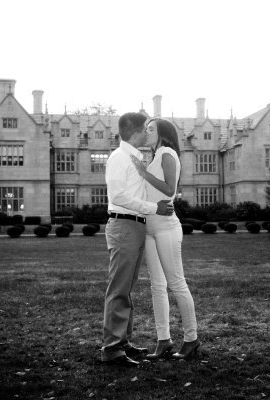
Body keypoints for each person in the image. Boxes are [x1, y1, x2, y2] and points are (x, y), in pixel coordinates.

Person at [101, 112, 174, 367]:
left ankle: (122, 342)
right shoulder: (119, 158)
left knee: (126, 288)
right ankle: (112, 348)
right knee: (119, 288)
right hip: (124, 225)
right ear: (135, 130)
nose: (148, 132)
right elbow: (119, 196)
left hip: (135, 225)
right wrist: (155, 209)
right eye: (145, 128)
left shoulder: (133, 156)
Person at [129, 118, 200, 360]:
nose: (146, 132)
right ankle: (164, 340)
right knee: (157, 287)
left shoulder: (168, 152)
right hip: (150, 227)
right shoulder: (155, 155)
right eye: (146, 129)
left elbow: (170, 189)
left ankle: (191, 340)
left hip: (167, 228)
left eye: (151, 129)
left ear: (163, 133)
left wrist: (141, 172)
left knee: (176, 283)